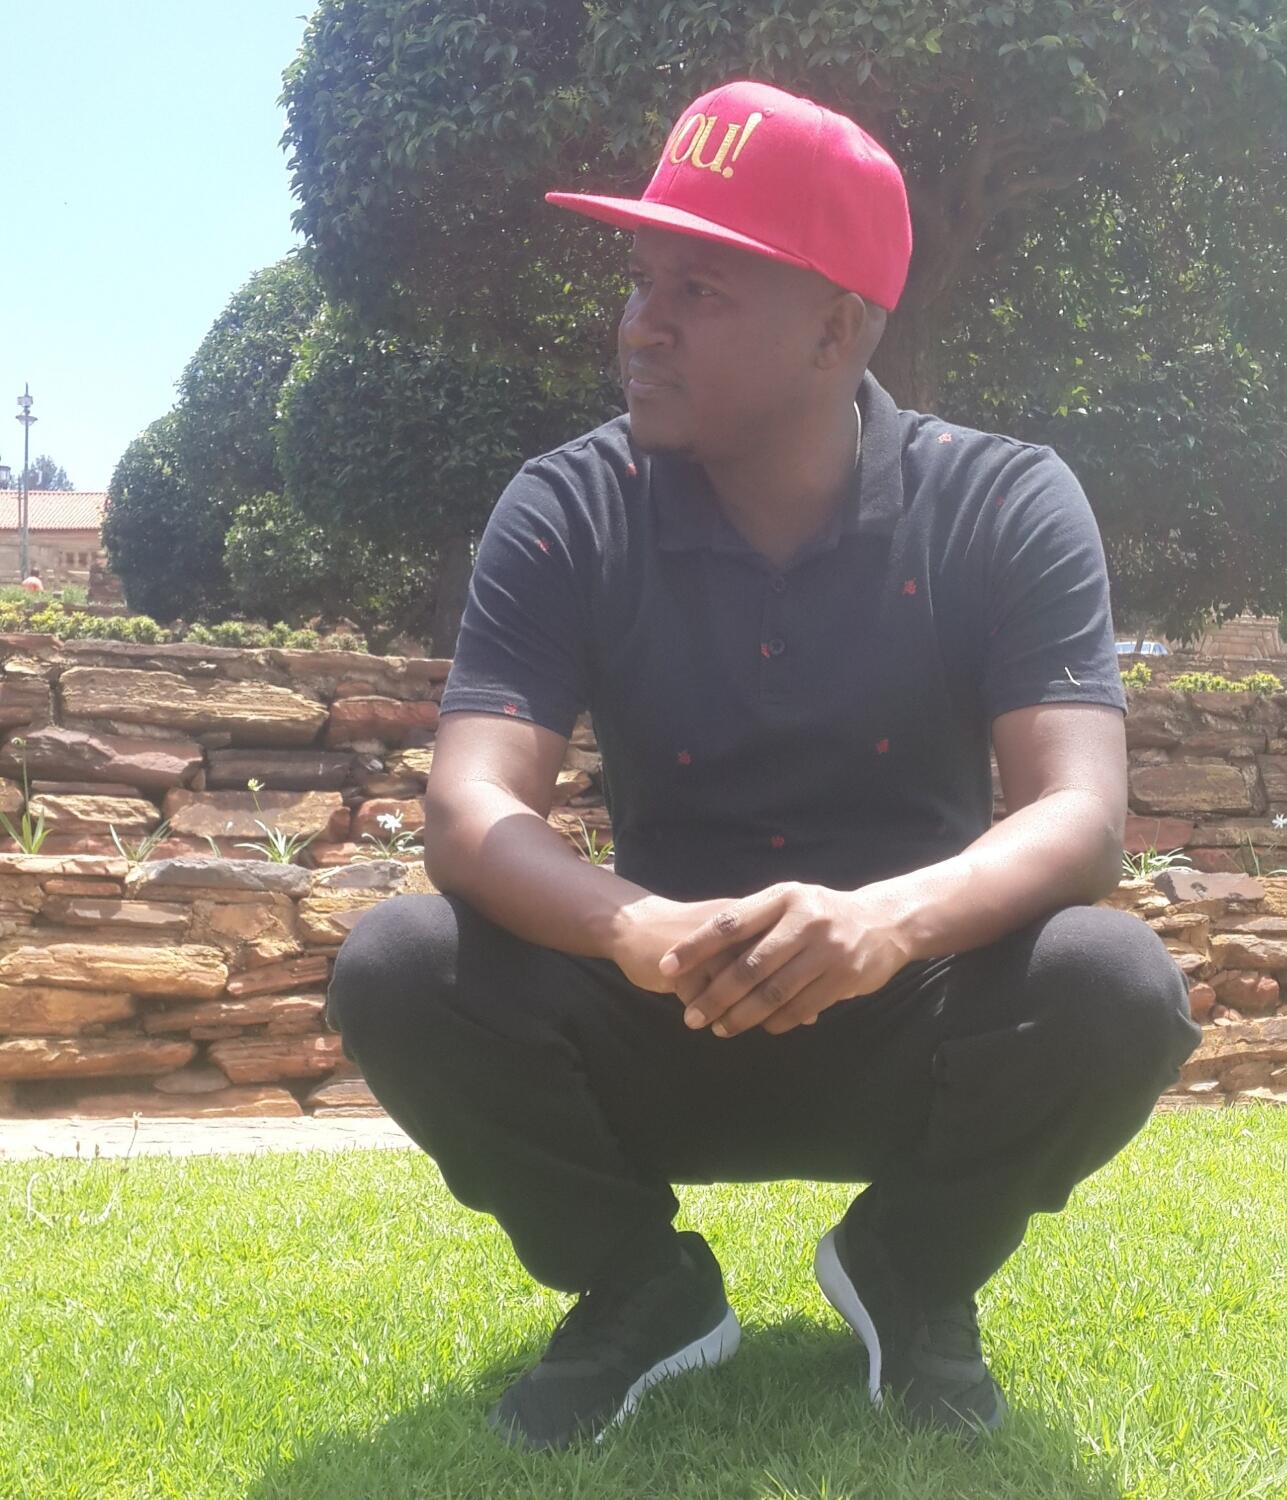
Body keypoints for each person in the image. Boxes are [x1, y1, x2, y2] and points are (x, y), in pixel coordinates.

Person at [326, 78, 1202, 1452]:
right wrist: (637, 930)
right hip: (661, 1006)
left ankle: (909, 1268)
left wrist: (881, 924)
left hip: (912, 1013)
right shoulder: (570, 506)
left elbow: (1083, 815)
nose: (641, 323)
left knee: (1115, 984)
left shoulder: (1002, 500)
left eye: (701, 289)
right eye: (641, 280)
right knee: (398, 964)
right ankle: (641, 1285)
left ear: (836, 330)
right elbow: (469, 804)